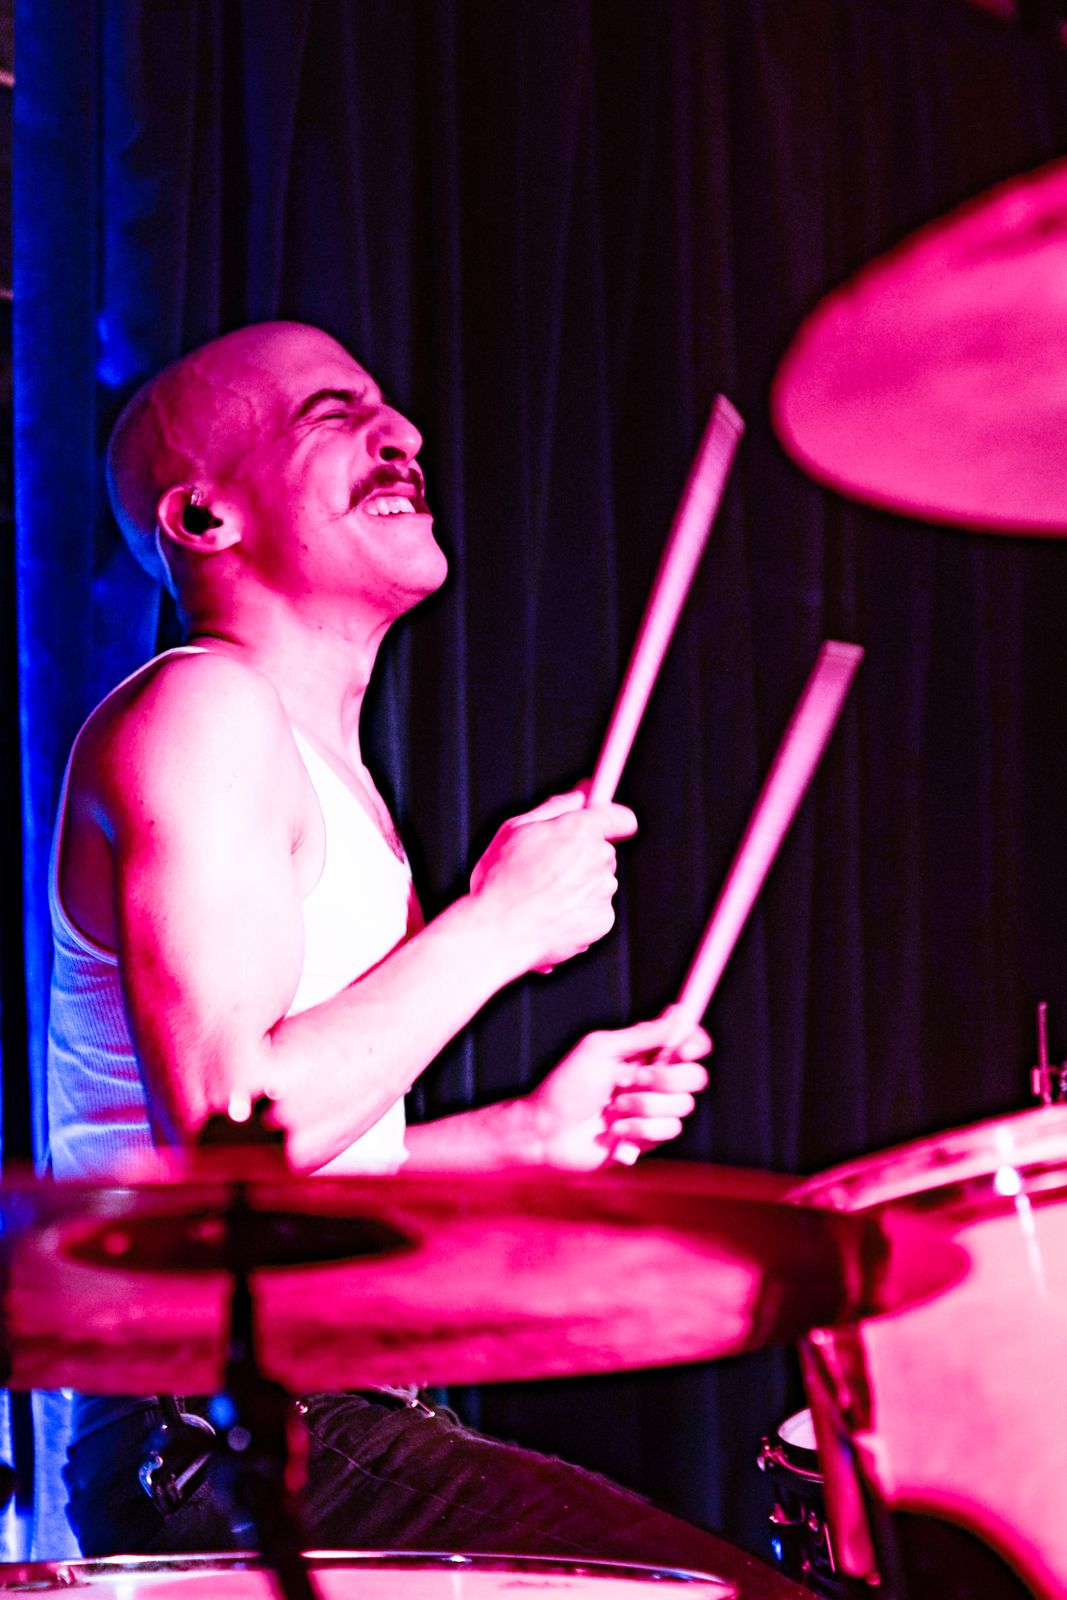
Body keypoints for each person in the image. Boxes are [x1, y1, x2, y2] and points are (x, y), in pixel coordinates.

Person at [49, 321, 799, 1593]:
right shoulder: (201, 708)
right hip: (219, 1433)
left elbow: (309, 1184)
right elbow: (235, 1133)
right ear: (203, 517)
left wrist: (527, 1135)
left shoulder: (328, 782)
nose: (399, 434)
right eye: (331, 414)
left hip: (321, 1412)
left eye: (386, 407)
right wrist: (496, 924)